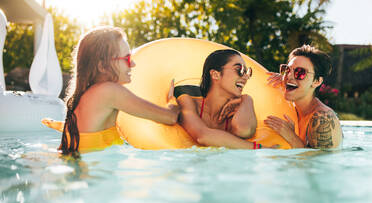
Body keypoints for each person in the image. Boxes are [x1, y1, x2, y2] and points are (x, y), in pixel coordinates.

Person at [56, 26, 179, 155]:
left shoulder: (87, 96)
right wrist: (174, 100)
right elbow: (170, 117)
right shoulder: (109, 91)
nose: (133, 64)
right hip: (92, 172)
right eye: (126, 59)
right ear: (102, 66)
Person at [176, 49, 261, 149]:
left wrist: (247, 99)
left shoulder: (236, 115)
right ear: (216, 74)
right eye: (239, 70)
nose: (246, 77)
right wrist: (259, 148)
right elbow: (203, 136)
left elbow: (244, 130)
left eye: (247, 72)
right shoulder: (188, 102)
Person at [264, 45, 342, 149]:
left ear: (316, 81)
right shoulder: (294, 109)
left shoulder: (322, 119)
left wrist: (291, 137)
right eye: (287, 70)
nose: (289, 76)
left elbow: (320, 163)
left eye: (300, 72)